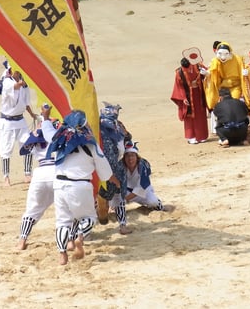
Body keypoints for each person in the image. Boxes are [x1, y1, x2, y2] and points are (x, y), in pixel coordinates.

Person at [40, 107, 121, 265]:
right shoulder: (91, 144)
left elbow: (47, 132)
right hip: (80, 185)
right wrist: (114, 180)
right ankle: (80, 237)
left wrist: (45, 118)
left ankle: (62, 255)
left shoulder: (59, 138)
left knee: (62, 221)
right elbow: (104, 168)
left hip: (59, 184)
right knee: (89, 218)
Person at [0, 66, 37, 186]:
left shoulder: (24, 83)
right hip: (7, 122)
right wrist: (24, 82)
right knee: (6, 150)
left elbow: (26, 102)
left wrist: (32, 114)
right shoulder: (7, 81)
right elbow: (15, 86)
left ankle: (27, 174)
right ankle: (6, 177)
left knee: (28, 144)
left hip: (20, 120)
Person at [16, 128, 55, 250]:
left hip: (39, 174)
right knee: (67, 209)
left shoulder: (36, 137)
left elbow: (25, 147)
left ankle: (22, 240)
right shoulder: (59, 134)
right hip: (57, 172)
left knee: (32, 210)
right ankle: (71, 240)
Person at [98, 101, 133, 235]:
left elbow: (127, 138)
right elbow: (117, 150)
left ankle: (84, 233)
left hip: (104, 167)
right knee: (115, 197)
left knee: (113, 196)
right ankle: (121, 225)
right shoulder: (111, 128)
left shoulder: (101, 126)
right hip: (109, 168)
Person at [113, 141, 169, 212]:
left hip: (143, 191)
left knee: (153, 202)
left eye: (132, 155)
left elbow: (142, 187)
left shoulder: (143, 165)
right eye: (127, 156)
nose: (130, 158)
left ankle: (159, 205)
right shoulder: (120, 165)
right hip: (126, 191)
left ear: (136, 156)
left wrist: (126, 199)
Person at [202, 41, 250, 114]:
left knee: (233, 102)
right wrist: (207, 73)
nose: (223, 57)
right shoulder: (216, 61)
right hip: (223, 87)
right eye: (220, 54)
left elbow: (245, 67)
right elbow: (213, 71)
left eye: (225, 54)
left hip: (236, 86)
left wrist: (246, 72)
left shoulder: (237, 59)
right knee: (224, 104)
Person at [171, 57, 209, 144]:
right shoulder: (179, 72)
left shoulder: (198, 66)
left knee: (200, 115)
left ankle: (202, 136)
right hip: (188, 96)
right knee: (189, 116)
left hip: (198, 94)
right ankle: (191, 137)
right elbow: (179, 86)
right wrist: (183, 98)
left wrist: (205, 73)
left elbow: (207, 74)